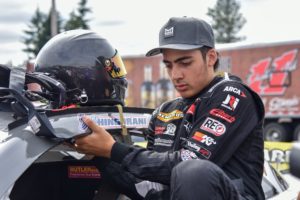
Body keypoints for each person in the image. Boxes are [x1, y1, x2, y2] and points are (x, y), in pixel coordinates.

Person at [73, 17, 265, 200]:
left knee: (194, 171)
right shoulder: (164, 112)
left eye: (185, 63)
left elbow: (188, 163)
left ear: (211, 57)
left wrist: (114, 150)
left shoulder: (233, 94)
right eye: (169, 65)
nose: (176, 75)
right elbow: (150, 185)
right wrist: (98, 153)